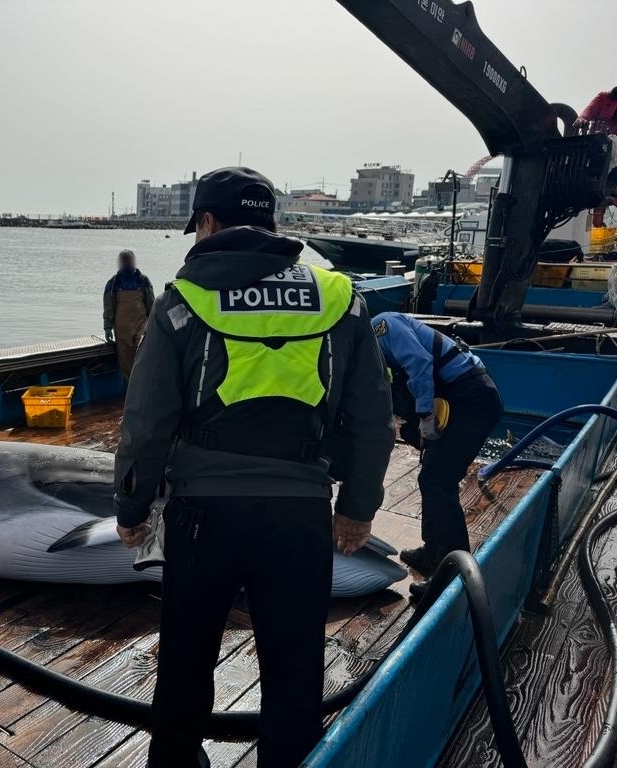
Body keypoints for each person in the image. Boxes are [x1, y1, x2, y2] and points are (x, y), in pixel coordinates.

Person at [113, 167, 395, 767]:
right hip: (300, 516)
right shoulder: (341, 297)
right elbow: (373, 416)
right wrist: (357, 509)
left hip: (202, 519)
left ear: (208, 223)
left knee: (186, 661)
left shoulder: (184, 299)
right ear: (271, 223)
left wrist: (132, 508)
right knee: (295, 666)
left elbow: (146, 423)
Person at [370, 312, 503, 597]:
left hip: (472, 398)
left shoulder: (383, 325)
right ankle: (435, 552)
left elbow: (420, 362)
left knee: (438, 480)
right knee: (431, 475)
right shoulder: (370, 351)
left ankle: (453, 572)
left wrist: (426, 414)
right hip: (454, 399)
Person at [103, 249, 155, 379]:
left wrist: (155, 324)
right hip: (122, 329)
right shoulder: (113, 283)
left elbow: (152, 304)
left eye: (129, 259)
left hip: (141, 324)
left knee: (143, 352)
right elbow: (108, 307)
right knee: (125, 362)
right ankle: (129, 389)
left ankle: (144, 384)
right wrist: (107, 327)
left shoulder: (143, 281)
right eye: (124, 260)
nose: (127, 262)